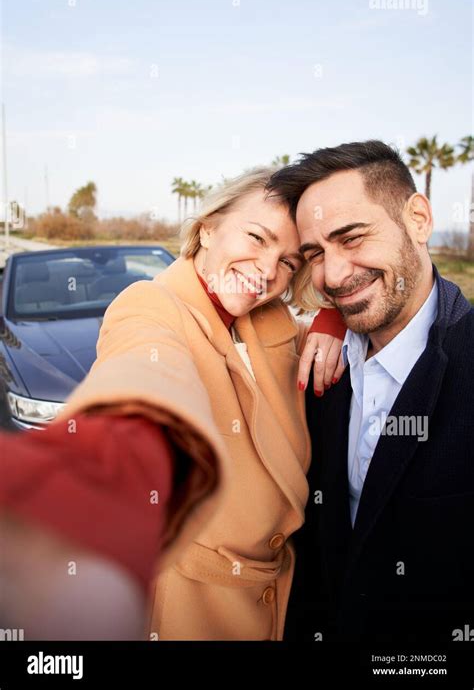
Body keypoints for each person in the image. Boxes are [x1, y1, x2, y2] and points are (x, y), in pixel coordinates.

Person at [0, 166, 346, 641]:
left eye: (288, 261)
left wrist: (334, 316)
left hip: (280, 598)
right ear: (208, 228)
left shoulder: (272, 319)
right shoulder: (150, 305)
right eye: (256, 238)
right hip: (193, 609)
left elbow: (327, 346)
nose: (268, 271)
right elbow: (147, 376)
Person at [266, 140, 474, 644]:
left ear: (419, 219)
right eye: (315, 253)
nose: (333, 276)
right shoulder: (316, 366)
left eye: (353, 237)